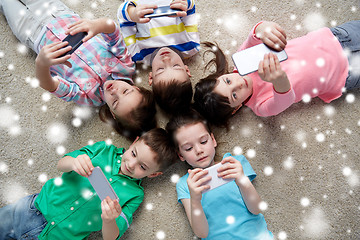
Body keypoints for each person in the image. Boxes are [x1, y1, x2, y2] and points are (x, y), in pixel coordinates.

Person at [0, 0, 156, 139]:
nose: (115, 91)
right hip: (58, 14)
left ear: (113, 115)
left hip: (32, 34)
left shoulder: (89, 97)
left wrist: (42, 64)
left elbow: (50, 85)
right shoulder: (126, 66)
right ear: (137, 88)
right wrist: (97, 25)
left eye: (115, 102)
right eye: (126, 91)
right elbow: (113, 32)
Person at [0, 128, 178, 240]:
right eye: (133, 154)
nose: (131, 165)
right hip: (33, 209)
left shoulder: (135, 195)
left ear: (154, 174)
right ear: (133, 142)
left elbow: (112, 237)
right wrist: (74, 163)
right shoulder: (103, 149)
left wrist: (109, 220)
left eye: (142, 166)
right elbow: (61, 163)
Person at [193, 20, 360, 127]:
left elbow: (255, 35)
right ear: (236, 108)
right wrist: (278, 81)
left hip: (336, 38)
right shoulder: (260, 106)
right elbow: (284, 100)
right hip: (344, 73)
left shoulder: (242, 58)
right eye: (235, 95)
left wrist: (264, 28)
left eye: (228, 81)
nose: (238, 84)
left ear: (221, 75)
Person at [166, 110, 273, 239]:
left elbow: (256, 209)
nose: (199, 150)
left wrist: (242, 180)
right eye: (188, 148)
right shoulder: (185, 184)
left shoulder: (235, 163)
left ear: (213, 140)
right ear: (180, 155)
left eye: (204, 141)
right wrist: (195, 200)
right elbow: (201, 233)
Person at [117, 0, 200, 114]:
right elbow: (191, 10)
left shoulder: (137, 54)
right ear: (187, 69)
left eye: (160, 69)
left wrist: (132, 13)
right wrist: (186, 4)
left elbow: (123, 19)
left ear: (151, 77)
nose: (166, 59)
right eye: (176, 66)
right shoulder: (191, 45)